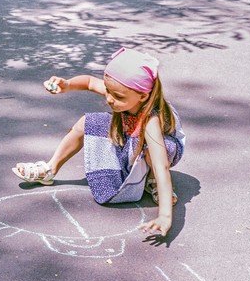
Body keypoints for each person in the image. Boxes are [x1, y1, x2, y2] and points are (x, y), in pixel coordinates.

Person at [12, 49, 185, 237]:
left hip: (161, 150)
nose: (110, 99)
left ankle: (150, 180)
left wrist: (165, 217)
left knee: (152, 152)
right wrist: (67, 84)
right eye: (109, 92)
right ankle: (49, 169)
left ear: (143, 96)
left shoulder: (151, 120)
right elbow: (89, 82)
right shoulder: (122, 91)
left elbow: (162, 166)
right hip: (130, 140)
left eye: (117, 97)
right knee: (87, 122)